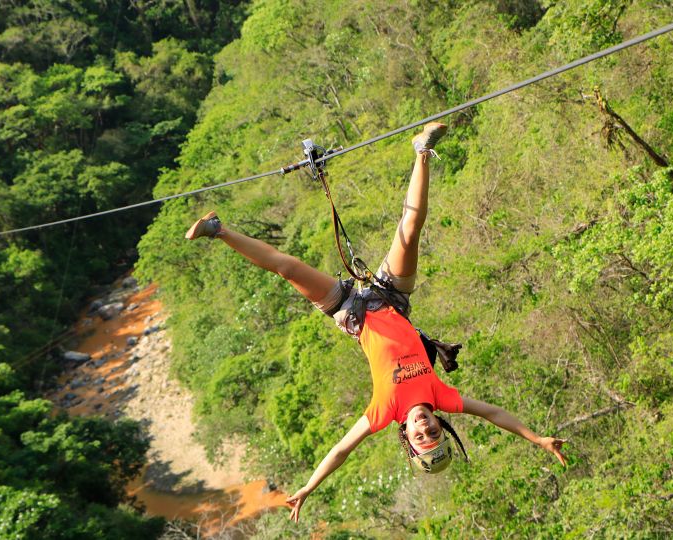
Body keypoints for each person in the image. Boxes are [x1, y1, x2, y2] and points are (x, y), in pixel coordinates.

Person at [185, 122, 567, 522]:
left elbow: (341, 451)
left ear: (408, 437)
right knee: (410, 229)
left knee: (288, 268)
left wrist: (309, 488)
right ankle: (422, 149)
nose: (424, 429)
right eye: (433, 433)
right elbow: (493, 413)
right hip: (391, 298)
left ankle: (218, 229)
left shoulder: (384, 411)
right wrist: (537, 438)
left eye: (420, 438)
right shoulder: (441, 396)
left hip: (351, 313)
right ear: (439, 424)